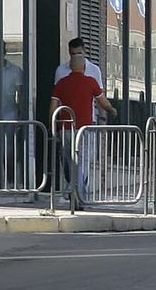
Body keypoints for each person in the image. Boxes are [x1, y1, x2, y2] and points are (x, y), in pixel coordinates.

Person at [50, 56, 116, 199]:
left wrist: (52, 125)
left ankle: (72, 188)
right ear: (84, 68)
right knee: (83, 162)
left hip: (65, 128)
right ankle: (78, 194)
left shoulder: (61, 83)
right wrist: (112, 110)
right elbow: (103, 102)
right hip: (84, 129)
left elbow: (53, 108)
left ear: (70, 68)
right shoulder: (90, 82)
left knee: (69, 160)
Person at [0, 37, 26, 121]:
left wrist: (21, 114)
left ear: (4, 53)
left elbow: (21, 94)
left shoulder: (15, 71)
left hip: (9, 117)